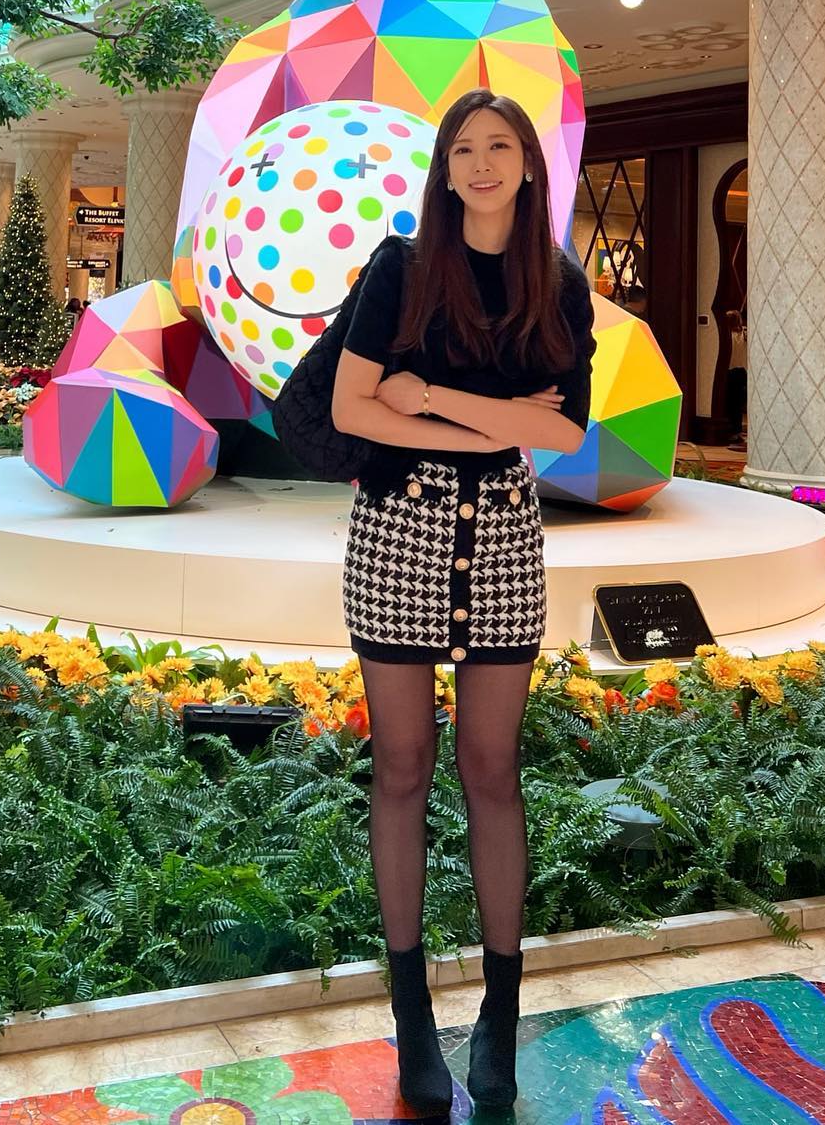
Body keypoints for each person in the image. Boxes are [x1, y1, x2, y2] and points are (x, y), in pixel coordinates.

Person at [331, 88, 594, 1113]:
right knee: (402, 766)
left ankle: (497, 1018)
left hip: (504, 542)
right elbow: (353, 406)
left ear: (528, 164)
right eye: (464, 148)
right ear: (444, 169)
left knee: (492, 767)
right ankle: (411, 1019)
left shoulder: (557, 284)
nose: (482, 163)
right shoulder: (401, 268)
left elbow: (563, 431)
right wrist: (498, 419)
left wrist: (432, 397)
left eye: (501, 145)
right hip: (399, 532)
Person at [724, 308, 748, 448]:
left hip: (731, 371)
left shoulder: (727, 336)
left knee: (731, 404)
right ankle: (737, 431)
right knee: (737, 404)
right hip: (742, 371)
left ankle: (733, 431)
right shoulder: (744, 334)